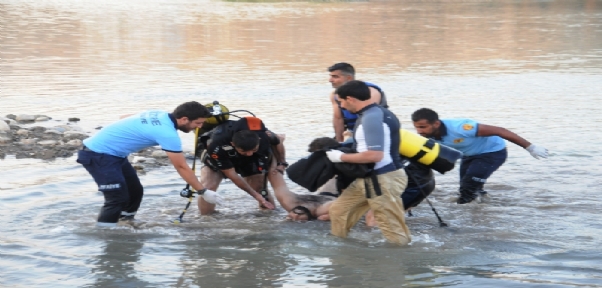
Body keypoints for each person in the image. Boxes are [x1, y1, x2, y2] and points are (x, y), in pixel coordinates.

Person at [77, 101, 223, 227]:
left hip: (116, 156)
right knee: (116, 198)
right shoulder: (167, 133)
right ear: (184, 119)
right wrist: (203, 191)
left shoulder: (160, 114)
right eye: (198, 123)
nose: (198, 127)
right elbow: (181, 166)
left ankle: (125, 222)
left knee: (135, 191)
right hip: (97, 155)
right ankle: (106, 233)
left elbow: (124, 117)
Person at [325, 80, 411, 245]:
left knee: (390, 227)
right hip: (370, 178)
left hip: (382, 179)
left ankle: (397, 264)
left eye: (341, 102)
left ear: (350, 98)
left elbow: (375, 155)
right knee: (339, 210)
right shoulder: (376, 112)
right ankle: (341, 252)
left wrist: (340, 157)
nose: (341, 106)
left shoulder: (371, 118)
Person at [411, 108, 549, 204]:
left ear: (436, 123)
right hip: (468, 155)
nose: (419, 131)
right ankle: (482, 205)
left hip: (492, 153)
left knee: (468, 186)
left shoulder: (461, 128)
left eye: (422, 127)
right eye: (416, 127)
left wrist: (530, 147)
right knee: (467, 187)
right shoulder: (428, 135)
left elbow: (500, 131)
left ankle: (464, 212)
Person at [198, 116, 288, 215]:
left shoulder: (265, 135)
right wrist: (255, 195)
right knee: (208, 187)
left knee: (259, 188)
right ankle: (207, 219)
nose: (249, 153)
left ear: (258, 140)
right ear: (233, 144)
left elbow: (278, 141)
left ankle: (269, 217)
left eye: (254, 150)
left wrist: (281, 162)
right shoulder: (216, 144)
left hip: (247, 159)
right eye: (244, 151)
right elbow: (232, 175)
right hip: (220, 154)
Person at [328, 63, 389, 142]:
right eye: (330, 76)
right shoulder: (334, 95)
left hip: (373, 132)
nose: (330, 80)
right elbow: (338, 118)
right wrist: (339, 142)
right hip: (351, 132)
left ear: (349, 78)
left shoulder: (370, 91)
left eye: (335, 77)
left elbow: (370, 115)